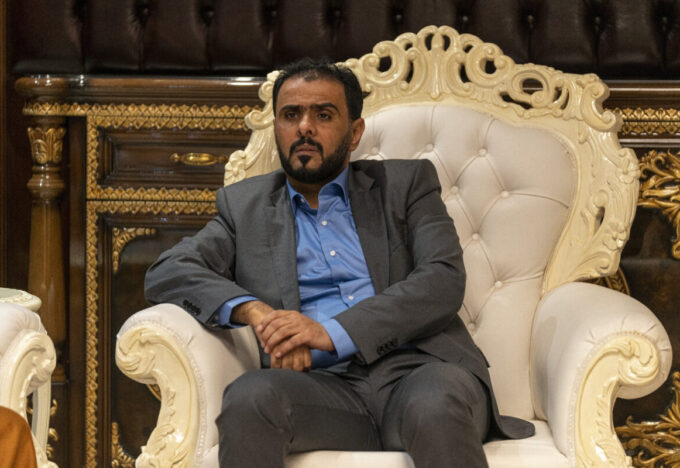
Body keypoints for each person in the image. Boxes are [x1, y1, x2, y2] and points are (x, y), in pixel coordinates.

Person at [145, 58, 534, 468]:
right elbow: (169, 271)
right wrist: (257, 313)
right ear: (276, 128)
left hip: (420, 371)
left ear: (355, 133)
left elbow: (442, 280)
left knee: (435, 406)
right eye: (291, 115)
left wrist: (330, 333)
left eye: (324, 115)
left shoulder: (405, 185)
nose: (305, 128)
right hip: (320, 390)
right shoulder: (246, 207)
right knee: (250, 398)